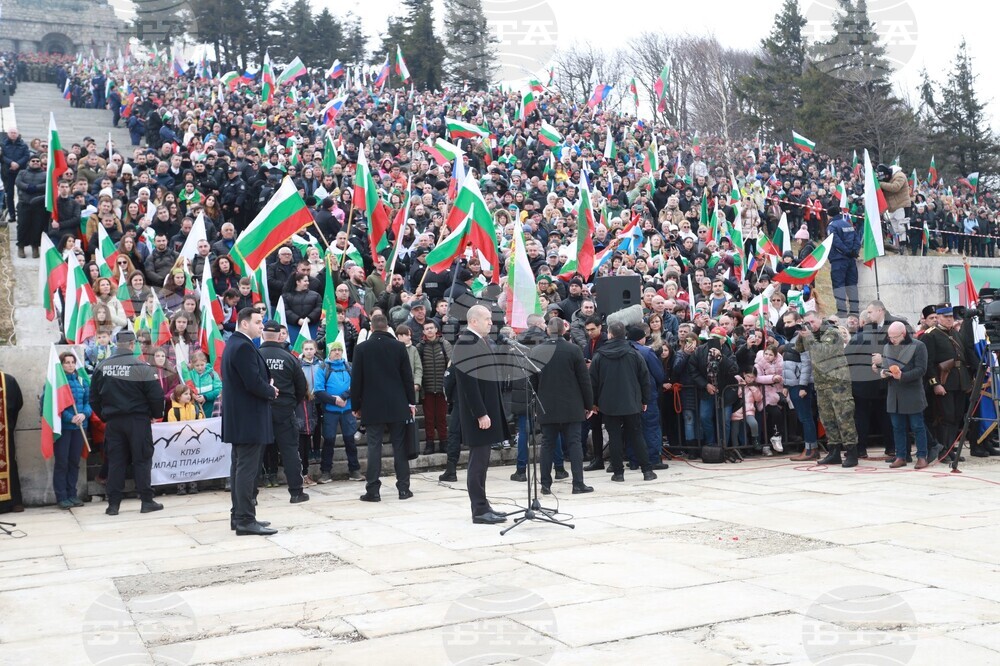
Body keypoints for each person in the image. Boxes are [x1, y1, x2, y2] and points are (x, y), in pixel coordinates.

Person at [90, 331, 165, 516]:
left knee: (116, 462)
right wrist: (155, 415)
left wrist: (105, 416)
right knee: (142, 459)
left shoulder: (102, 366)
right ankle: (146, 501)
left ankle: (113, 505)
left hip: (114, 422)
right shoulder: (141, 366)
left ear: (117, 344)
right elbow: (156, 395)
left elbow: (93, 398)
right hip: (138, 420)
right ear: (132, 344)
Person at [221, 308, 279, 536]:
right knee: (246, 469)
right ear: (244, 324)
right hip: (248, 418)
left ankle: (239, 516)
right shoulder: (243, 346)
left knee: (239, 467)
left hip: (240, 418)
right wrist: (271, 390)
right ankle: (245, 519)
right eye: (258, 322)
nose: (262, 326)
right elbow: (252, 382)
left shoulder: (235, 344)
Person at [453, 305, 510, 524]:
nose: (491, 322)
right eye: (487, 319)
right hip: (477, 415)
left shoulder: (479, 341)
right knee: (477, 463)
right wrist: (480, 413)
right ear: (474, 321)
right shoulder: (466, 343)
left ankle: (484, 505)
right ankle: (479, 510)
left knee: (482, 462)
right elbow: (469, 383)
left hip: (486, 411)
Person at [351, 313, 416, 502]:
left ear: (371, 328)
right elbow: (407, 377)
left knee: (374, 448)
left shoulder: (361, 348)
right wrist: (411, 402)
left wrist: (356, 405)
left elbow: (356, 380)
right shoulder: (399, 347)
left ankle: (373, 490)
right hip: (397, 404)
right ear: (388, 327)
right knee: (400, 447)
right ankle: (404, 489)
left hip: (372, 405)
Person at [531, 317, 595, 494]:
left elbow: (532, 382)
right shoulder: (573, 349)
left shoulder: (536, 351)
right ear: (564, 330)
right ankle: (578, 483)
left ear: (547, 330)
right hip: (571, 405)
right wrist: (589, 404)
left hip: (547, 406)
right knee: (574, 444)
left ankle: (545, 485)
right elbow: (584, 380)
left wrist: (536, 405)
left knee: (547, 445)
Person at [590, 320, 658, 482]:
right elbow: (645, 379)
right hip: (631, 401)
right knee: (636, 435)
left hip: (608, 403)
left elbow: (592, 382)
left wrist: (593, 402)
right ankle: (647, 471)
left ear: (610, 334)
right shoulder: (634, 353)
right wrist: (645, 399)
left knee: (614, 437)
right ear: (624, 335)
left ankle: (618, 473)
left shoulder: (599, 355)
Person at [797, 312, 860, 468]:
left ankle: (852, 452)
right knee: (827, 418)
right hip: (821, 383)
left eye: (812, 321)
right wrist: (801, 334)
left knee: (844, 417)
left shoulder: (832, 332)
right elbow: (799, 348)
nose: (810, 325)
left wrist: (809, 336)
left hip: (837, 381)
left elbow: (823, 352)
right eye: (807, 322)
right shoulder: (812, 335)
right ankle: (834, 452)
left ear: (820, 318)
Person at [257, 320, 310, 503]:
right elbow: (302, 387)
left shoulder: (255, 356)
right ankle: (296, 492)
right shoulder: (289, 358)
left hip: (260, 410)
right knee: (290, 452)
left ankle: (251, 496)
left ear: (263, 334)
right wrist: (291, 404)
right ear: (280, 336)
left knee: (255, 455)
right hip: (285, 410)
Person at [880, 322, 930, 468]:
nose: (892, 340)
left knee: (917, 426)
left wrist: (903, 376)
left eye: (894, 337)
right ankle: (900, 456)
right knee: (897, 427)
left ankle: (922, 456)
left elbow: (921, 369)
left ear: (903, 334)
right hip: (894, 393)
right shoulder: (887, 347)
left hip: (912, 392)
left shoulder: (918, 346)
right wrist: (883, 372)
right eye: (889, 337)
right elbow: (885, 365)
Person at [314, 341, 363, 482]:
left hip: (347, 410)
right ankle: (325, 472)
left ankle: (354, 470)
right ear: (329, 352)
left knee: (350, 441)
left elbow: (357, 384)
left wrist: (344, 396)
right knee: (329, 441)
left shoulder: (349, 367)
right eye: (334, 350)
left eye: (339, 350)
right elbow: (318, 390)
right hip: (330, 411)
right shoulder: (323, 367)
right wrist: (334, 400)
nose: (337, 352)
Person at [53, 352, 91, 509]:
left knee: (74, 462)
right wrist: (70, 418)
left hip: (80, 427)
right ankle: (61, 496)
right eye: (66, 362)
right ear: (61, 365)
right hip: (64, 429)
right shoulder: (56, 382)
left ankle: (72, 494)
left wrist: (84, 414)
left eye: (72, 362)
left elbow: (89, 402)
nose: (70, 365)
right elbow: (54, 406)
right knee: (62, 462)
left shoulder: (82, 381)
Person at [827, 203, 862, 316]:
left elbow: (835, 242)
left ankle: (841, 312)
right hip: (851, 260)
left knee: (839, 286)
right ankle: (854, 311)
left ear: (829, 215)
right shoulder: (848, 224)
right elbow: (857, 240)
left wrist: (846, 252)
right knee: (852, 285)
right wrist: (854, 252)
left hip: (839, 260)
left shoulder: (832, 226)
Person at [0, 369, 24, 514]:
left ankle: (14, 501)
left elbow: (18, 403)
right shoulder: (8, 379)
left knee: (8, 463)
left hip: (4, 432)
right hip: (5, 429)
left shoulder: (8, 380)